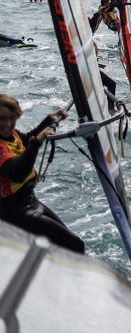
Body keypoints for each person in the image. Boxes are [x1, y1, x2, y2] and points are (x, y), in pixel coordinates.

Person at [0, 94, 85, 253]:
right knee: (75, 245)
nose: (7, 124)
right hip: (14, 212)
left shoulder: (12, 134)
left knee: (68, 244)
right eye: (2, 119)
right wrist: (37, 142)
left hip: (30, 201)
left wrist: (50, 120)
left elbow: (25, 140)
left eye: (12, 118)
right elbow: (16, 173)